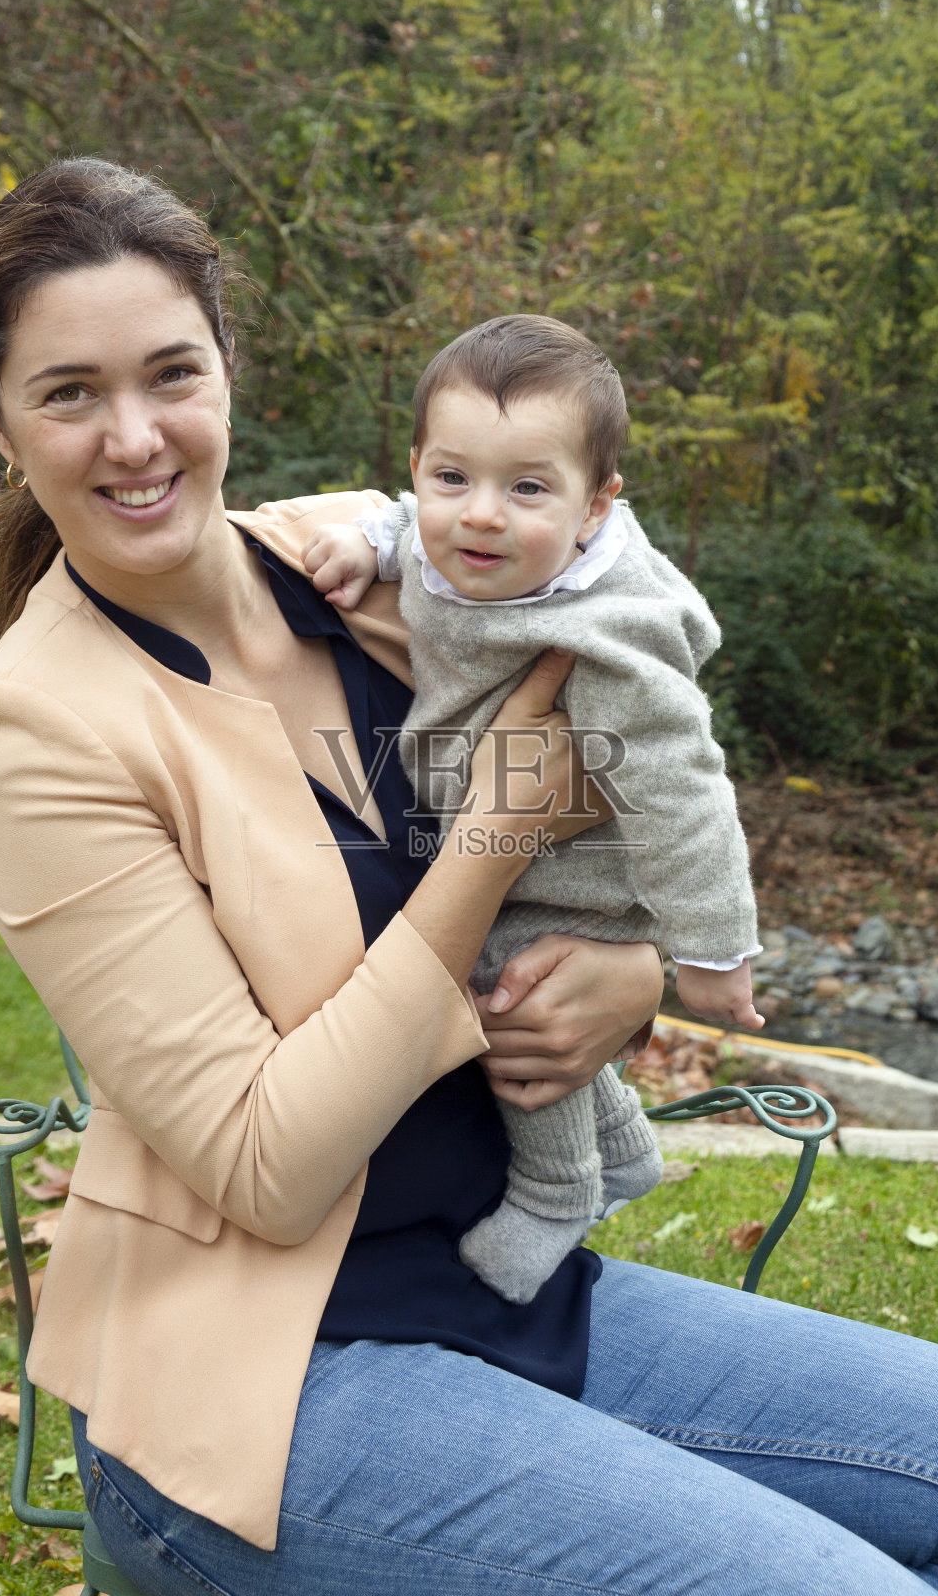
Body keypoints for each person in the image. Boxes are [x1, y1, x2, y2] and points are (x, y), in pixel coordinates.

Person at [0, 158, 938, 1595]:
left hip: (504, 1286)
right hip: (264, 1383)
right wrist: (487, 846)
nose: (133, 437)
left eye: (171, 372)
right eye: (68, 393)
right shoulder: (31, 728)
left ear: (228, 368)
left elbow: (635, 655)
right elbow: (263, 1164)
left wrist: (639, 972)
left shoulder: (378, 563)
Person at [301, 314, 765, 1305]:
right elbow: (400, 524)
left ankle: (559, 1187)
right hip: (498, 819)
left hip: (578, 873)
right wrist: (367, 543)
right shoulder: (447, 539)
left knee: (508, 985)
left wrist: (712, 951)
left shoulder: (607, 634)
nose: (480, 516)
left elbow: (684, 784)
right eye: (452, 479)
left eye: (528, 489)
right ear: (420, 465)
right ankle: (626, 1144)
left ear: (596, 507)